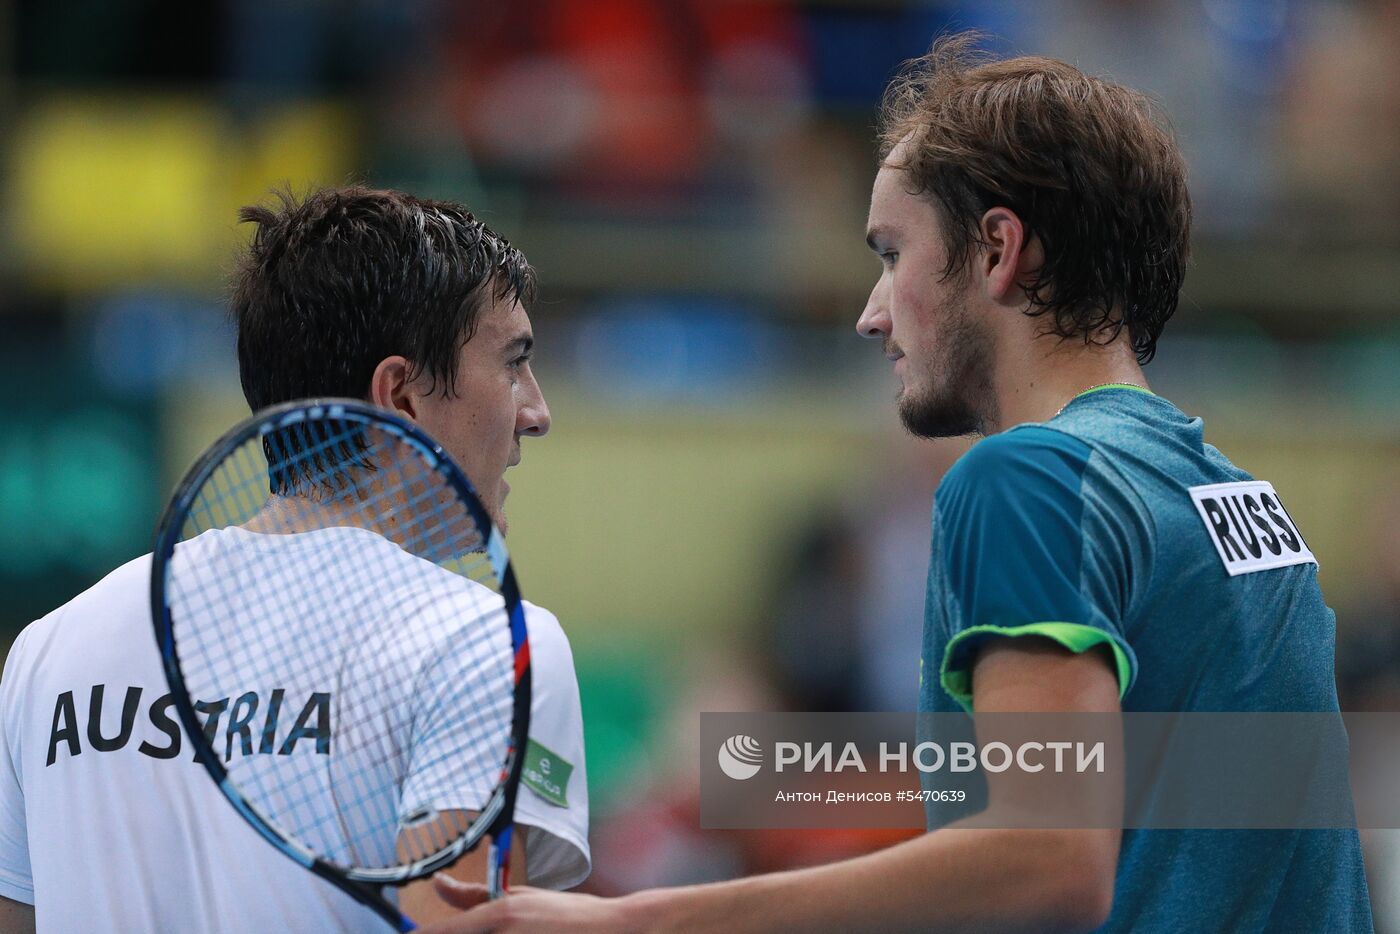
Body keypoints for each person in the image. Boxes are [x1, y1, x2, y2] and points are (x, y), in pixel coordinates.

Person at [422, 34, 1373, 933]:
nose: (874, 314)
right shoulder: (1239, 498)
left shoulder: (1029, 478)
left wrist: (640, 918)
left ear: (999, 250)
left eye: (890, 254)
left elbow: (1047, 857)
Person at [0, 187, 590, 932]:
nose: (536, 413)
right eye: (514, 364)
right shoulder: (488, 643)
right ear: (401, 397)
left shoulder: (51, 650)